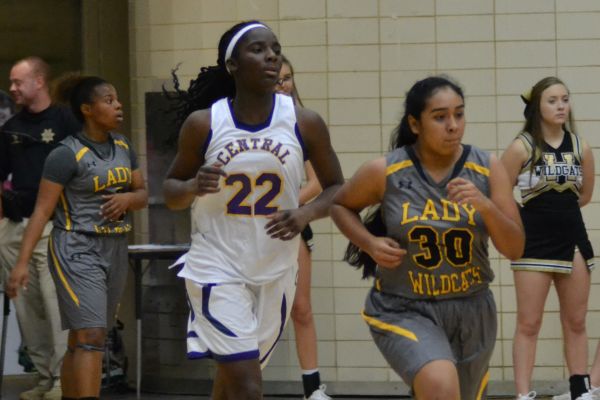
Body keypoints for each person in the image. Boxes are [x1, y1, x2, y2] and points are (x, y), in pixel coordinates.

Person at [163, 21, 344, 400]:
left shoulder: (304, 121)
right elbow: (171, 192)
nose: (271, 56)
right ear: (233, 65)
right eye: (258, 49)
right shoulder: (205, 124)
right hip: (217, 264)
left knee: (235, 379)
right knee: (247, 384)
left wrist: (306, 213)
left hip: (275, 267)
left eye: (275, 48)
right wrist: (195, 185)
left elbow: (338, 187)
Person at [331, 76, 525, 400]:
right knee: (439, 384)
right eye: (440, 117)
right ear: (415, 123)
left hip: (472, 308)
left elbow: (516, 247)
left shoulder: (487, 167)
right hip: (405, 307)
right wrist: (368, 242)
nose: (453, 125)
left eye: (459, 114)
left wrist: (486, 207)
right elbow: (340, 205)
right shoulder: (387, 171)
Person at [7, 75, 148, 400]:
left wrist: (128, 199)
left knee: (83, 338)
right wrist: (22, 264)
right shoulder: (65, 154)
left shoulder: (125, 147)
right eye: (109, 100)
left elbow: (141, 193)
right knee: (91, 335)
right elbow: (42, 212)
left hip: (114, 247)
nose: (118, 105)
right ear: (87, 109)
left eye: (116, 99)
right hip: (76, 247)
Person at [501, 77, 596, 400]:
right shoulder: (521, 146)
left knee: (576, 320)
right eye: (552, 100)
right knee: (529, 323)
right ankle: (523, 394)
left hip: (573, 239)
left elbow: (584, 196)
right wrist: (521, 220)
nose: (560, 106)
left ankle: (579, 390)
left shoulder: (580, 145)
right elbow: (498, 191)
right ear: (537, 108)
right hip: (533, 243)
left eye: (565, 99)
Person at [0, 56, 80, 400]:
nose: (13, 89)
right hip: (16, 226)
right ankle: (45, 376)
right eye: (12, 83)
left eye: (19, 82)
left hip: (54, 225)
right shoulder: (10, 129)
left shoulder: (66, 120)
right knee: (26, 308)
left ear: (39, 82)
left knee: (54, 303)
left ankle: (64, 379)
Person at [275, 55, 330, 400]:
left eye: (288, 77)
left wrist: (286, 204)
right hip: (251, 230)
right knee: (253, 307)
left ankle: (313, 389)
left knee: (301, 308)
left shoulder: (301, 123)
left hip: (291, 225)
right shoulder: (240, 123)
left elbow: (319, 181)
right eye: (277, 78)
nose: (283, 83)